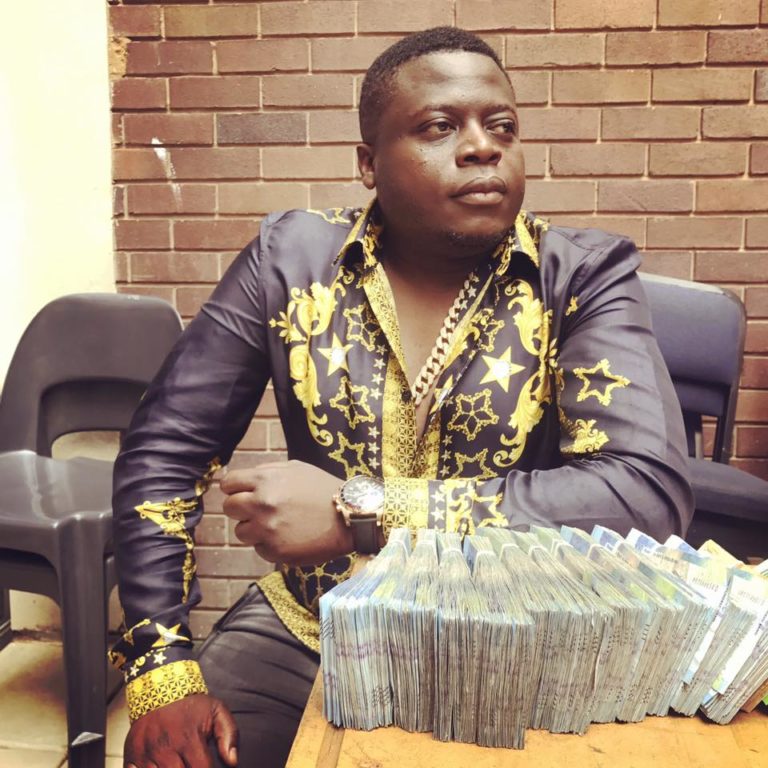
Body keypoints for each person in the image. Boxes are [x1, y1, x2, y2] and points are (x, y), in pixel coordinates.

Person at [113, 27, 693, 768]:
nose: (482, 147)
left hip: (516, 647)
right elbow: (166, 449)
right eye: (440, 127)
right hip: (312, 628)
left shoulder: (579, 277)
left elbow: (643, 492)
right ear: (368, 163)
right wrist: (160, 667)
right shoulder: (291, 261)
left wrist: (361, 513)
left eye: (502, 126)